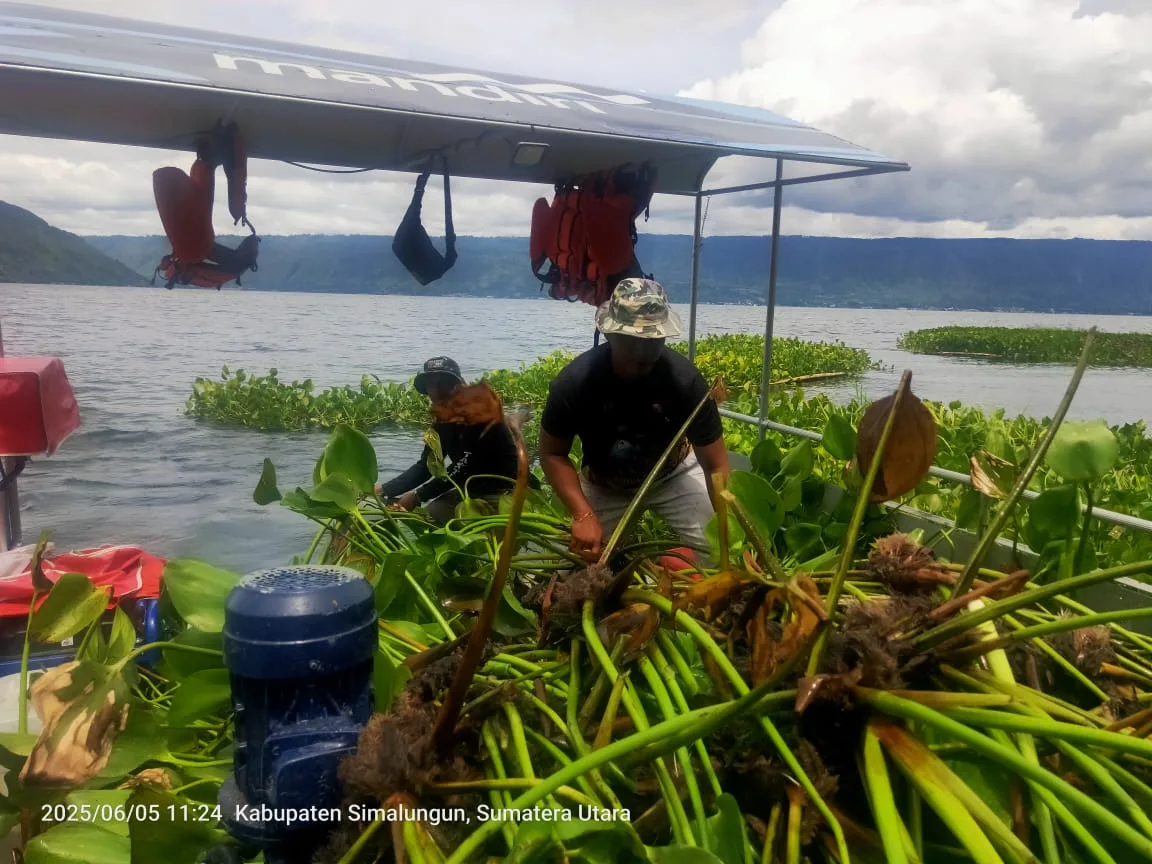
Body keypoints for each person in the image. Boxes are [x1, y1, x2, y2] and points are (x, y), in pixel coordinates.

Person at [537, 278, 730, 562]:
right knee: (574, 567)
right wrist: (583, 513)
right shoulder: (574, 383)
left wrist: (731, 532)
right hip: (605, 485)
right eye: (632, 340)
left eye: (652, 340)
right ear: (610, 334)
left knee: (721, 552)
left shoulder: (685, 382)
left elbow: (715, 464)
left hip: (673, 475)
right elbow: (553, 454)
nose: (643, 353)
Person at [375, 356, 521, 524]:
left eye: (443, 382)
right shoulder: (442, 423)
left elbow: (465, 466)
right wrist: (384, 490)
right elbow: (426, 467)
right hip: (470, 489)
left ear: (457, 385)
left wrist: (418, 496)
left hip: (505, 490)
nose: (437, 389)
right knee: (428, 516)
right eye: (432, 383)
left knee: (434, 514)